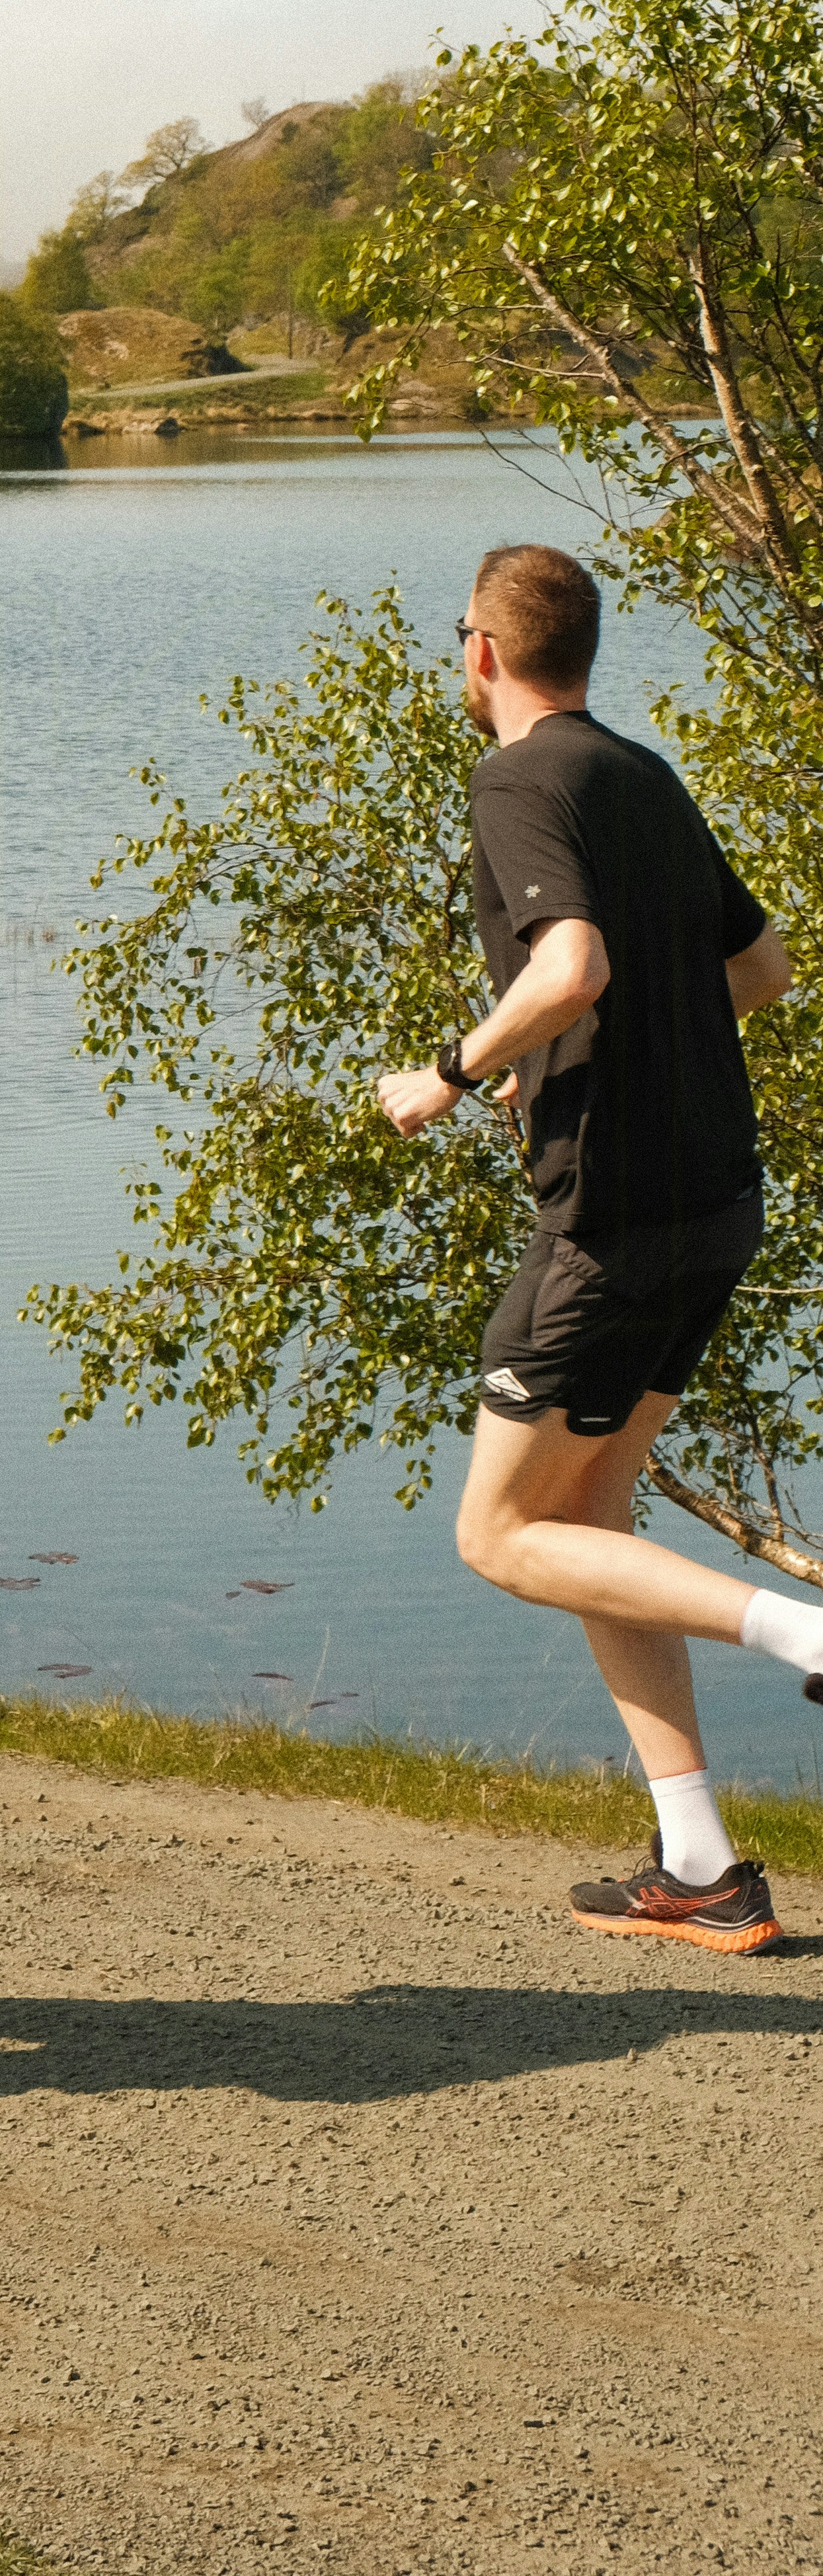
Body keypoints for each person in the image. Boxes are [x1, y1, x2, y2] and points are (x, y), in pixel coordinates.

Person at [375, 544, 818, 1952]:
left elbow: (569, 963)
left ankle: (805, 1637)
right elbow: (759, 968)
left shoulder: (516, 779)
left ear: (485, 654)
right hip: (712, 1202)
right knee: (590, 1524)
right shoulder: (636, 772)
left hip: (612, 1220)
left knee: (500, 1535)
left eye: (460, 638)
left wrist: (448, 1070)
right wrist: (583, 1057)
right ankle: (699, 1863)